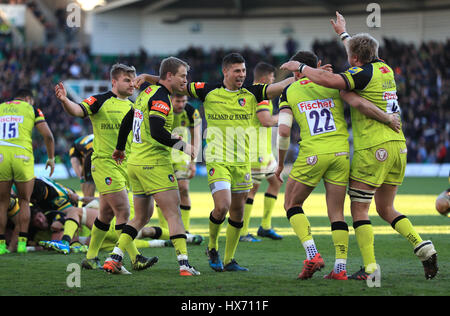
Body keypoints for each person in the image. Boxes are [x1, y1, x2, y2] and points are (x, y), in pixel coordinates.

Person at [281, 11, 438, 280]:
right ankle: (421, 245)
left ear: (354, 59)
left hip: (373, 147)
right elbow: (359, 55)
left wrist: (302, 69)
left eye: (350, 56)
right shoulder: (384, 68)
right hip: (398, 147)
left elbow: (351, 94)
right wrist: (344, 33)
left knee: (359, 209)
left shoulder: (356, 76)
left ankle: (370, 269)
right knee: (386, 209)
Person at [134, 52, 295, 272]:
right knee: (222, 206)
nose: (241, 75)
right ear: (225, 71)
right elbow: (173, 83)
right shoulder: (207, 90)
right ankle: (212, 246)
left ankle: (229, 260)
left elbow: (283, 85)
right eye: (237, 70)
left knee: (237, 213)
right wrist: (147, 76)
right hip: (217, 160)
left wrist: (304, 74)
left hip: (242, 163)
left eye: (244, 70)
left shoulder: (253, 92)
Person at [275, 50, 400, 280]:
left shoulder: (289, 91)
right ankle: (340, 269)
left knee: (291, 204)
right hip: (341, 153)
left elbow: (283, 131)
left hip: (313, 153)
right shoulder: (334, 85)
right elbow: (360, 81)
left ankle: (312, 254)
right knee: (336, 213)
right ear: (319, 65)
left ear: (295, 70)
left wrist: (280, 164)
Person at [55, 63, 155, 273]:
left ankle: (90, 258)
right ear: (114, 81)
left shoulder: (133, 107)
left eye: (133, 80)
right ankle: (134, 258)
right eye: (127, 80)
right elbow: (78, 110)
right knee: (124, 211)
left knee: (106, 214)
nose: (132, 84)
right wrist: (65, 100)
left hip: (126, 166)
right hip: (104, 163)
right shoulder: (100, 100)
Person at [110, 57, 200, 276]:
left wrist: (120, 148)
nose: (185, 80)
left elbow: (127, 121)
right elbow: (158, 130)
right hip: (154, 163)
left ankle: (114, 258)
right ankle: (184, 264)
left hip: (135, 163)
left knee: (141, 217)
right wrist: (183, 146)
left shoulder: (146, 93)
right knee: (173, 214)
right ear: (169, 76)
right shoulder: (161, 97)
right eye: (182, 76)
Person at [0, 89, 55, 255]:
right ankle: (22, 244)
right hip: (21, 156)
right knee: (25, 200)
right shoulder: (32, 109)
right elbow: (48, 136)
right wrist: (51, 158)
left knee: (2, 203)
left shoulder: (1, 107)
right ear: (28, 99)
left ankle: (1, 246)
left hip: (2, 155)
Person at [240, 62, 283, 242]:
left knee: (276, 182)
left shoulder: (254, 93)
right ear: (265, 78)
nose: (273, 81)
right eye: (272, 78)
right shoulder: (260, 96)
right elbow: (265, 120)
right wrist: (285, 116)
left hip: (263, 151)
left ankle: (265, 226)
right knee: (251, 190)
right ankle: (242, 232)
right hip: (255, 151)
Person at [156, 94, 202, 234]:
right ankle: (165, 230)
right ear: (171, 99)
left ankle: (185, 229)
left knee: (183, 188)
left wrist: (193, 162)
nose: (181, 104)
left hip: (181, 154)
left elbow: (196, 136)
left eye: (184, 101)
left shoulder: (191, 111)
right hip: (162, 153)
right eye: (178, 101)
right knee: (162, 192)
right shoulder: (162, 109)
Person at [69, 134, 95, 199]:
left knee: (85, 178)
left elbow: (75, 163)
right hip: (92, 149)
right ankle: (88, 200)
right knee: (86, 178)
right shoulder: (76, 149)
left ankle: (88, 201)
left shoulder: (75, 147)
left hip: (91, 149)